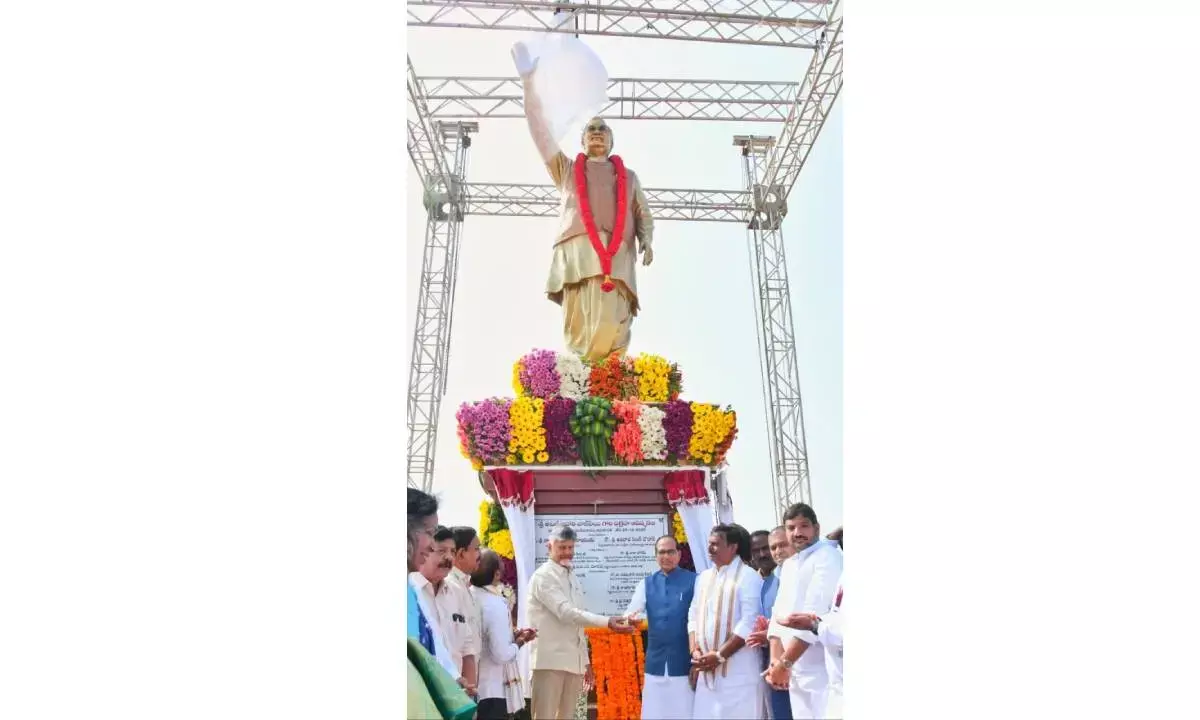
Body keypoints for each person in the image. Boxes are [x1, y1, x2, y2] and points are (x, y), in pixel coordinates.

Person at [512, 42, 656, 362]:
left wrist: (646, 239)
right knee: (579, 331)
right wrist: (528, 83)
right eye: (591, 129)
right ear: (582, 139)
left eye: (603, 129)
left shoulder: (628, 177)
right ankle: (579, 383)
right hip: (576, 254)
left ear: (610, 140)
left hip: (617, 258)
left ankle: (606, 387)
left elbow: (642, 212)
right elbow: (540, 132)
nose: (596, 133)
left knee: (614, 328)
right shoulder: (566, 171)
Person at [525, 524, 634, 720]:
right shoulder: (543, 577)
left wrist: (585, 663)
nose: (567, 552)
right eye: (562, 548)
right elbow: (566, 613)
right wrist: (607, 622)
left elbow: (578, 623)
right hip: (550, 663)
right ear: (549, 547)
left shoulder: (572, 577)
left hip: (572, 664)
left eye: (570, 548)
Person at [765, 505, 842, 720]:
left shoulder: (828, 557)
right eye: (791, 527)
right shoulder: (789, 565)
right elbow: (777, 616)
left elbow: (812, 618)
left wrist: (785, 662)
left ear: (816, 528)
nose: (797, 533)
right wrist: (775, 660)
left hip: (822, 670)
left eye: (804, 526)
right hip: (793, 672)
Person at [407, 489, 476, 720]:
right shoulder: (414, 589)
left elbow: (435, 649)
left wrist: (454, 682)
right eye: (428, 533)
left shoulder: (411, 592)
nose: (430, 545)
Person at [687, 524, 765, 720]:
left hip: (738, 672)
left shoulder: (748, 577)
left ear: (733, 547)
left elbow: (749, 622)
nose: (710, 548)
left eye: (716, 544)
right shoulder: (704, 577)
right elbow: (693, 614)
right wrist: (695, 652)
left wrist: (720, 655)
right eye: (709, 544)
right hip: (707, 671)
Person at [622, 535, 697, 719]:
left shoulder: (695, 581)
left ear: (679, 554)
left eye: (671, 551)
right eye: (661, 552)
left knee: (685, 713)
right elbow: (632, 613)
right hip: (655, 663)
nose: (666, 556)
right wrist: (632, 619)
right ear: (656, 556)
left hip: (683, 663)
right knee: (654, 713)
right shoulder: (646, 584)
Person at [470, 549, 538, 720]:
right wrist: (520, 642)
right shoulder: (494, 604)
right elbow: (501, 654)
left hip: (475, 688)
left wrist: (512, 636)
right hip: (493, 691)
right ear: (497, 574)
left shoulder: (469, 594)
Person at [412, 526, 481, 693]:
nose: (449, 557)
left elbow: (467, 647)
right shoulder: (411, 591)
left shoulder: (456, 592)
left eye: (452, 551)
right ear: (423, 552)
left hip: (456, 694)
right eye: (441, 551)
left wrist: (468, 699)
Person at [747, 527, 795, 720]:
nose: (764, 554)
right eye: (756, 550)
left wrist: (770, 634)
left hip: (794, 658)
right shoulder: (755, 582)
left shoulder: (787, 577)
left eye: (768, 548)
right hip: (769, 661)